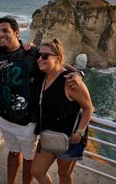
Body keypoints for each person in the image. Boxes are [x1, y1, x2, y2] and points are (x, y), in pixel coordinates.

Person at [0, 16, 83, 184]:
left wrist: (78, 73)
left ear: (16, 33)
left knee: (28, 159)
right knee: (13, 152)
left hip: (28, 123)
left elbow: (57, 63)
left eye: (5, 31)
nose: (1, 34)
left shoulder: (32, 53)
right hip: (4, 119)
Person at [31, 39, 93, 184]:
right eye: (39, 56)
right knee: (37, 171)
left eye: (45, 56)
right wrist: (78, 71)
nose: (40, 59)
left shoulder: (71, 82)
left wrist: (80, 131)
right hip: (48, 135)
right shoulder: (43, 76)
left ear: (57, 58)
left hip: (70, 138)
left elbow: (88, 107)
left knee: (63, 174)